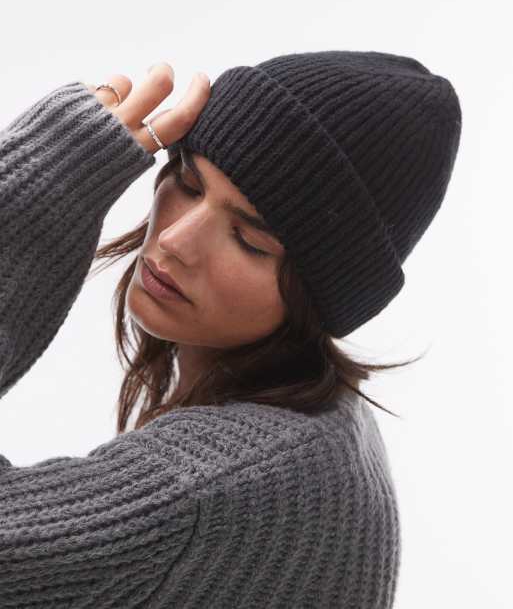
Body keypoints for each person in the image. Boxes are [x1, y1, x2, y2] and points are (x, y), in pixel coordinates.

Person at [0, 51, 462, 608]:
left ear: (320, 295)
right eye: (188, 184)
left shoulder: (214, 482)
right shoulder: (323, 432)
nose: (175, 240)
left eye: (250, 241)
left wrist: (32, 198)